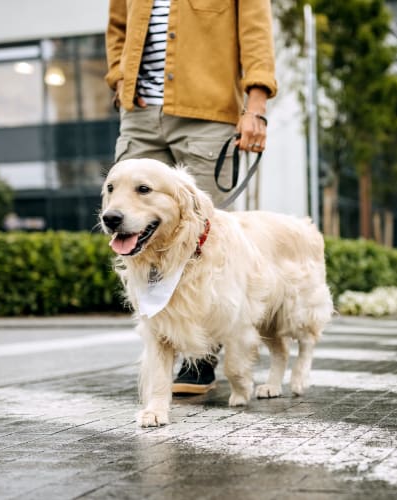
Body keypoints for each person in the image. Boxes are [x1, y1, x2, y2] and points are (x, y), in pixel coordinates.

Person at [105, 0, 278, 395]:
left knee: (204, 237)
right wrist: (120, 78)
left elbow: (255, 32)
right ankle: (161, 348)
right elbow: (117, 24)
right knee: (134, 231)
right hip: (139, 115)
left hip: (207, 111)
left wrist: (256, 106)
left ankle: (201, 356)